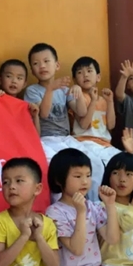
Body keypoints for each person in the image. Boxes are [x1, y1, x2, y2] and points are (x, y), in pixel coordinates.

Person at [23, 43, 97, 198]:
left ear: (57, 65)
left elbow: (81, 112)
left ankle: (93, 204)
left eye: (46, 61)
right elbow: (43, 114)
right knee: (57, 167)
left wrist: (78, 92)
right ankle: (59, 205)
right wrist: (50, 89)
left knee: (92, 161)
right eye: (36, 63)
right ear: (32, 70)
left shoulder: (64, 90)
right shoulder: (32, 90)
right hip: (46, 139)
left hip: (66, 138)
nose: (42, 66)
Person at [0, 59, 41, 134]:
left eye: (19, 78)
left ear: (24, 84)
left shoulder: (25, 108)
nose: (14, 81)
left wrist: (35, 116)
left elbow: (36, 136)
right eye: (9, 76)